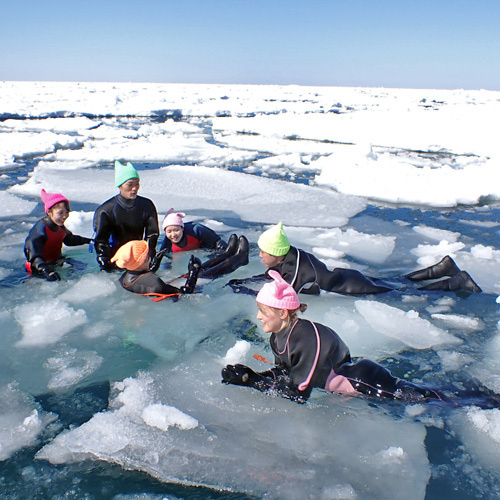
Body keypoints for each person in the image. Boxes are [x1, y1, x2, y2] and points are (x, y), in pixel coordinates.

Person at [222, 271, 486, 404]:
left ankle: (488, 400)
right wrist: (249, 375)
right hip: (356, 378)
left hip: (367, 382)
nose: (258, 317)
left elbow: (298, 394)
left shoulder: (305, 337)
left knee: (443, 401)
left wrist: (252, 381)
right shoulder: (279, 335)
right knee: (437, 395)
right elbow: (285, 375)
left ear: (282, 312)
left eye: (262, 310)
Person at [229, 222, 481, 295]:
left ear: (278, 252)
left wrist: (249, 292)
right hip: (348, 276)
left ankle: (456, 283)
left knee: (407, 291)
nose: (260, 255)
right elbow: (273, 276)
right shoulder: (290, 255)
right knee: (400, 280)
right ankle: (443, 267)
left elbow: (286, 297)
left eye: (264, 251)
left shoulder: (297, 269)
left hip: (355, 287)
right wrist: (246, 280)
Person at [93, 161, 159, 272]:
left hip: (138, 258)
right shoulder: (105, 210)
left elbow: (152, 234)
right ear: (120, 185)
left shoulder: (147, 205)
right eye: (130, 184)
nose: (134, 188)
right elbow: (101, 241)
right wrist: (104, 262)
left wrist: (149, 255)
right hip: (116, 259)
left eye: (137, 183)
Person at [24, 189, 92, 281]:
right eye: (60, 213)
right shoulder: (40, 230)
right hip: (39, 268)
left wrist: (89, 241)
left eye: (66, 212)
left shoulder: (60, 227)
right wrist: (46, 270)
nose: (64, 216)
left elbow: (69, 240)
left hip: (57, 261)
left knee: (82, 267)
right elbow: (34, 257)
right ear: (49, 212)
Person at [110, 240, 201, 300]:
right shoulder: (154, 281)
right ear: (145, 260)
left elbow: (141, 277)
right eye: (148, 255)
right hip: (170, 301)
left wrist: (156, 263)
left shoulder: (124, 277)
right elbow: (185, 295)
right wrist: (193, 272)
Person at [159, 209, 227, 254]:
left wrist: (223, 250)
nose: (173, 235)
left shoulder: (196, 229)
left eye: (176, 230)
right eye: (169, 231)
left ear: (182, 228)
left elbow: (216, 241)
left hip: (206, 248)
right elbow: (165, 259)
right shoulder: (167, 243)